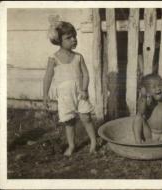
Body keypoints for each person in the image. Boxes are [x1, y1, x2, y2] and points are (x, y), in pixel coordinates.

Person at [43, 18, 96, 156]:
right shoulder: (53, 58)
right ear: (59, 41)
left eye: (74, 36)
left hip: (80, 93)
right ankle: (72, 146)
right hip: (65, 95)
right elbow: (48, 77)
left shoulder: (78, 57)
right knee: (69, 121)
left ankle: (94, 142)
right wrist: (45, 95)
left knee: (86, 117)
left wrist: (84, 89)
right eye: (69, 38)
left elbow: (86, 74)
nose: (74, 40)